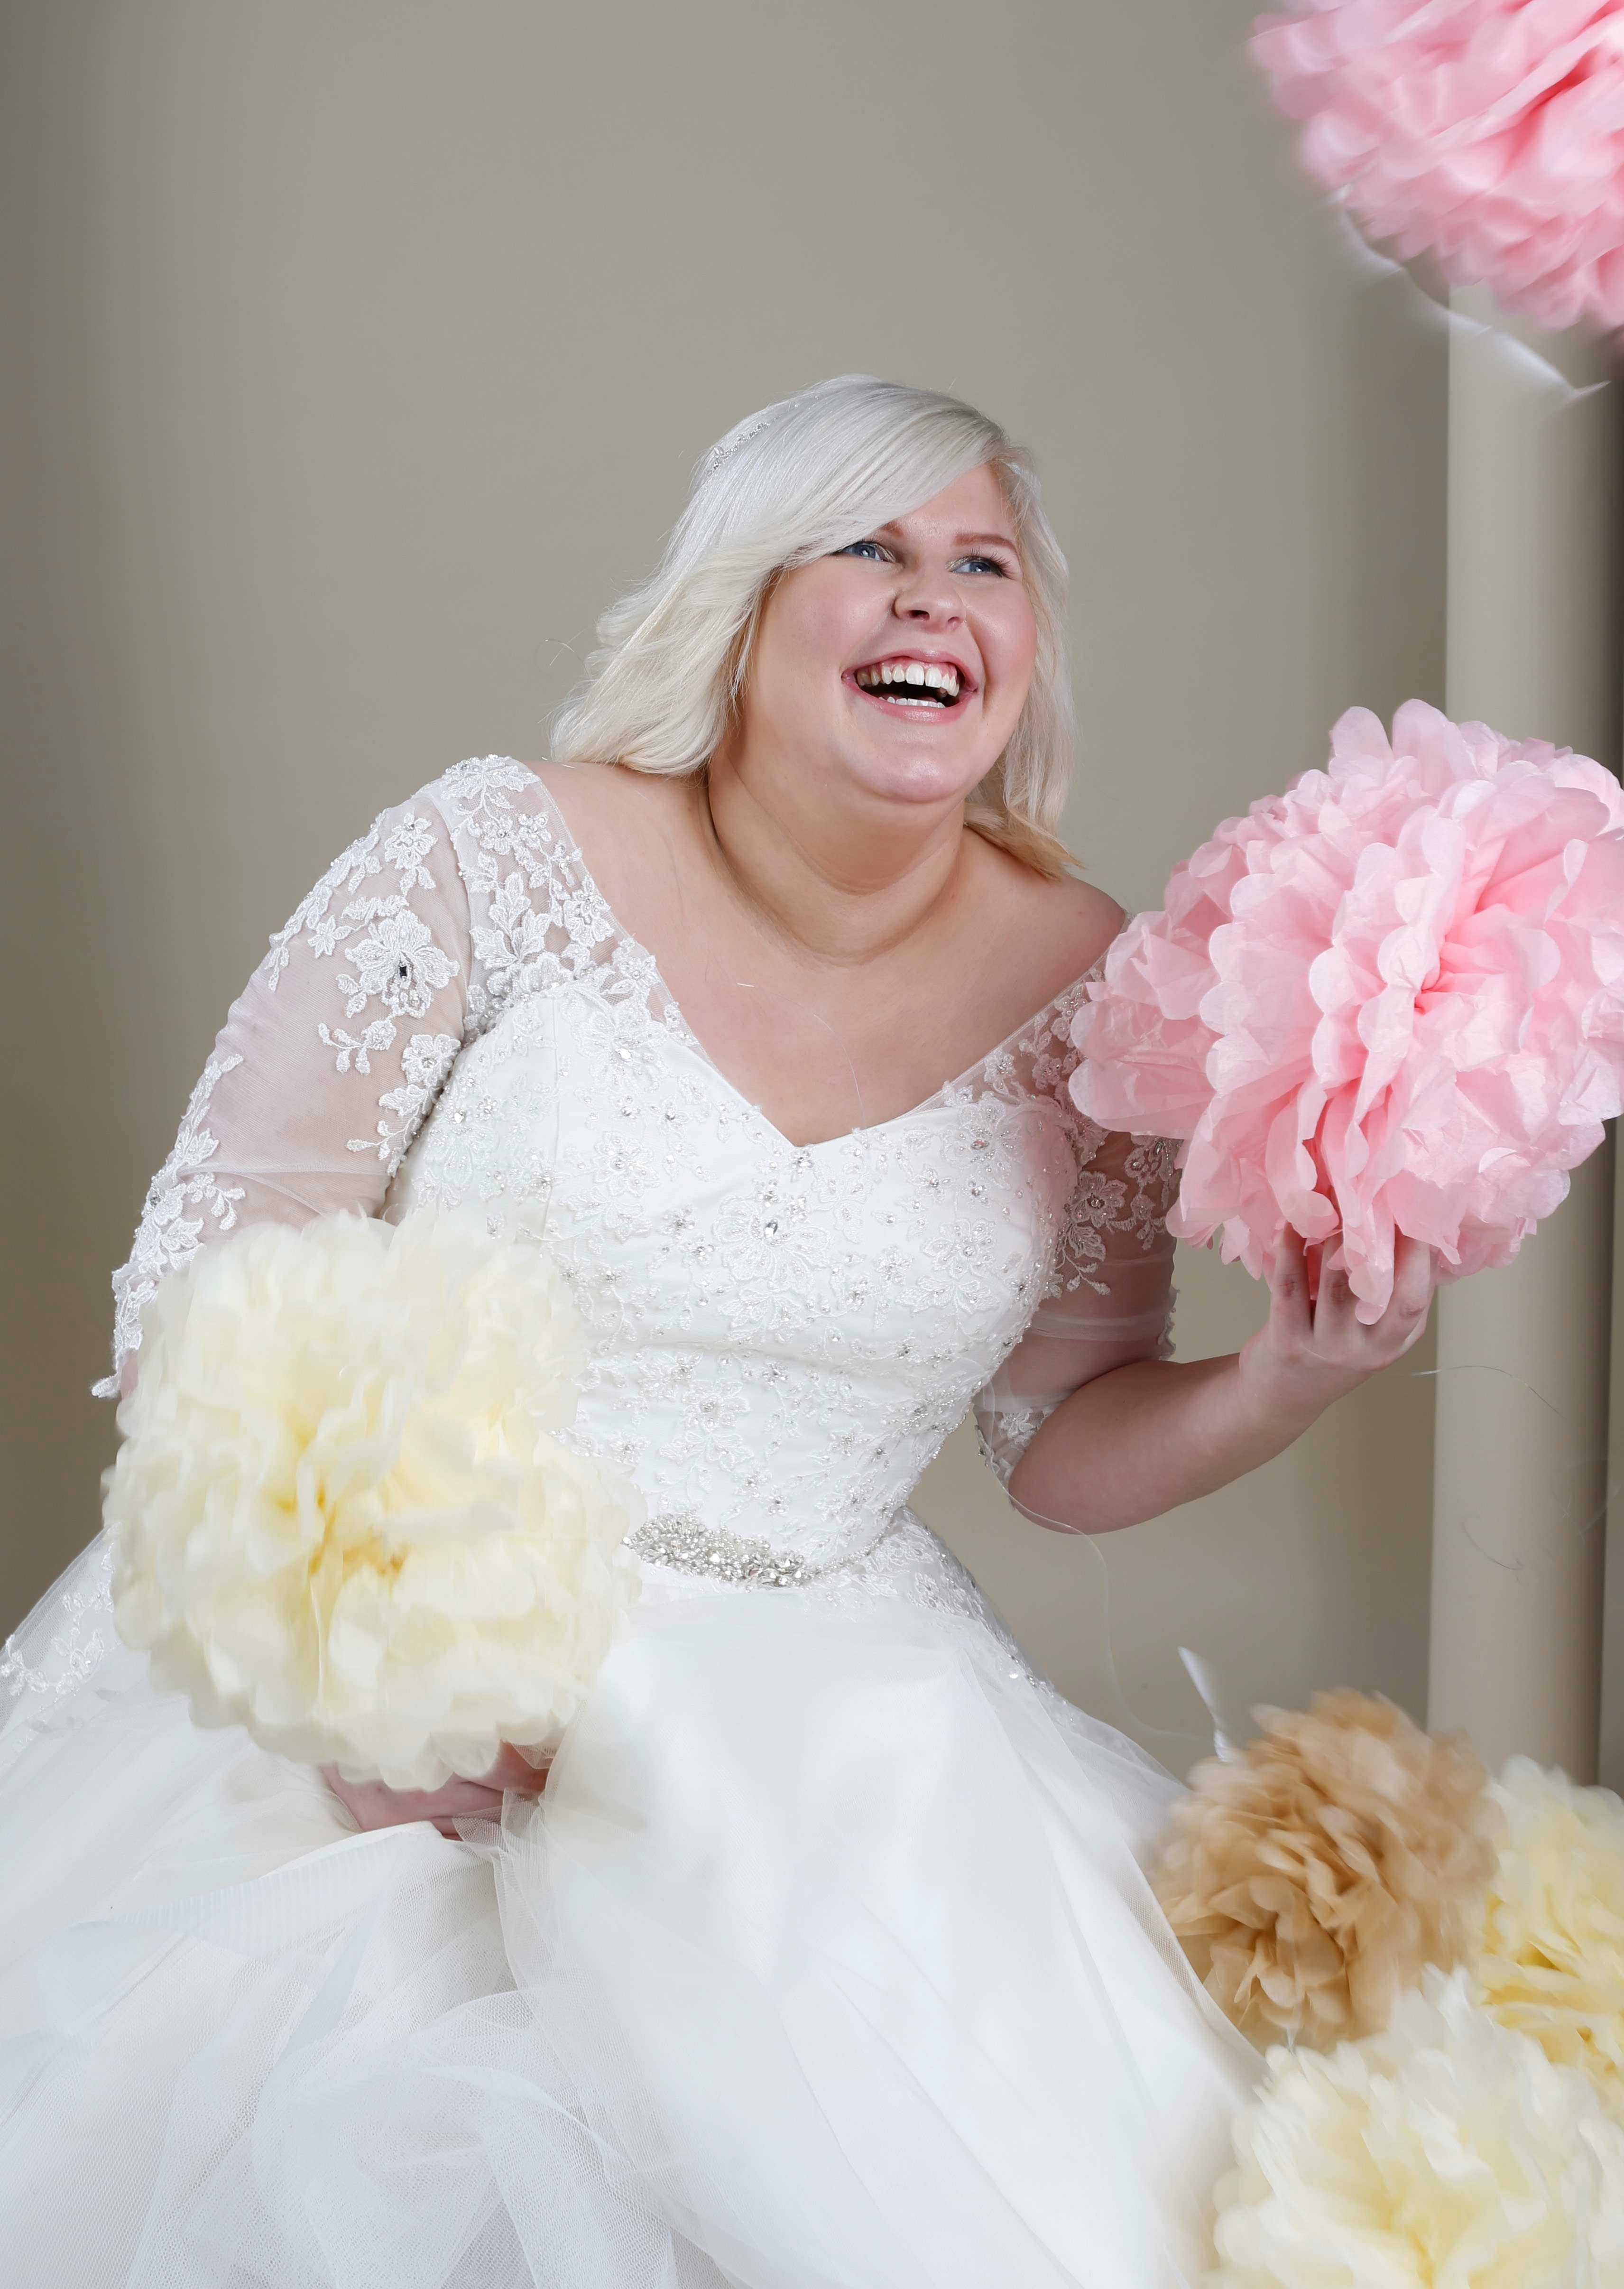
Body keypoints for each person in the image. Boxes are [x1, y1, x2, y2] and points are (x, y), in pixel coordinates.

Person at [0, 376, 1436, 2288]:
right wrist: (347, 1686)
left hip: (830, 1737)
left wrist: (1290, 1372)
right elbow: (217, 1255)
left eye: (981, 563)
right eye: (870, 548)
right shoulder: (494, 851)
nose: (933, 600)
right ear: (743, 611)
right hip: (360, 1662)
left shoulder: (1096, 983)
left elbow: (1060, 1432)